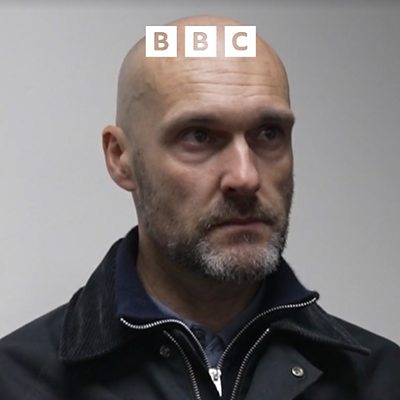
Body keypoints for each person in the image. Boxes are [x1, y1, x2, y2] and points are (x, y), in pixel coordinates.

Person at [1, 15, 399, 400]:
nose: (245, 177)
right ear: (121, 157)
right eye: (199, 136)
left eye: (268, 133)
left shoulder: (381, 379)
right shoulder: (18, 382)